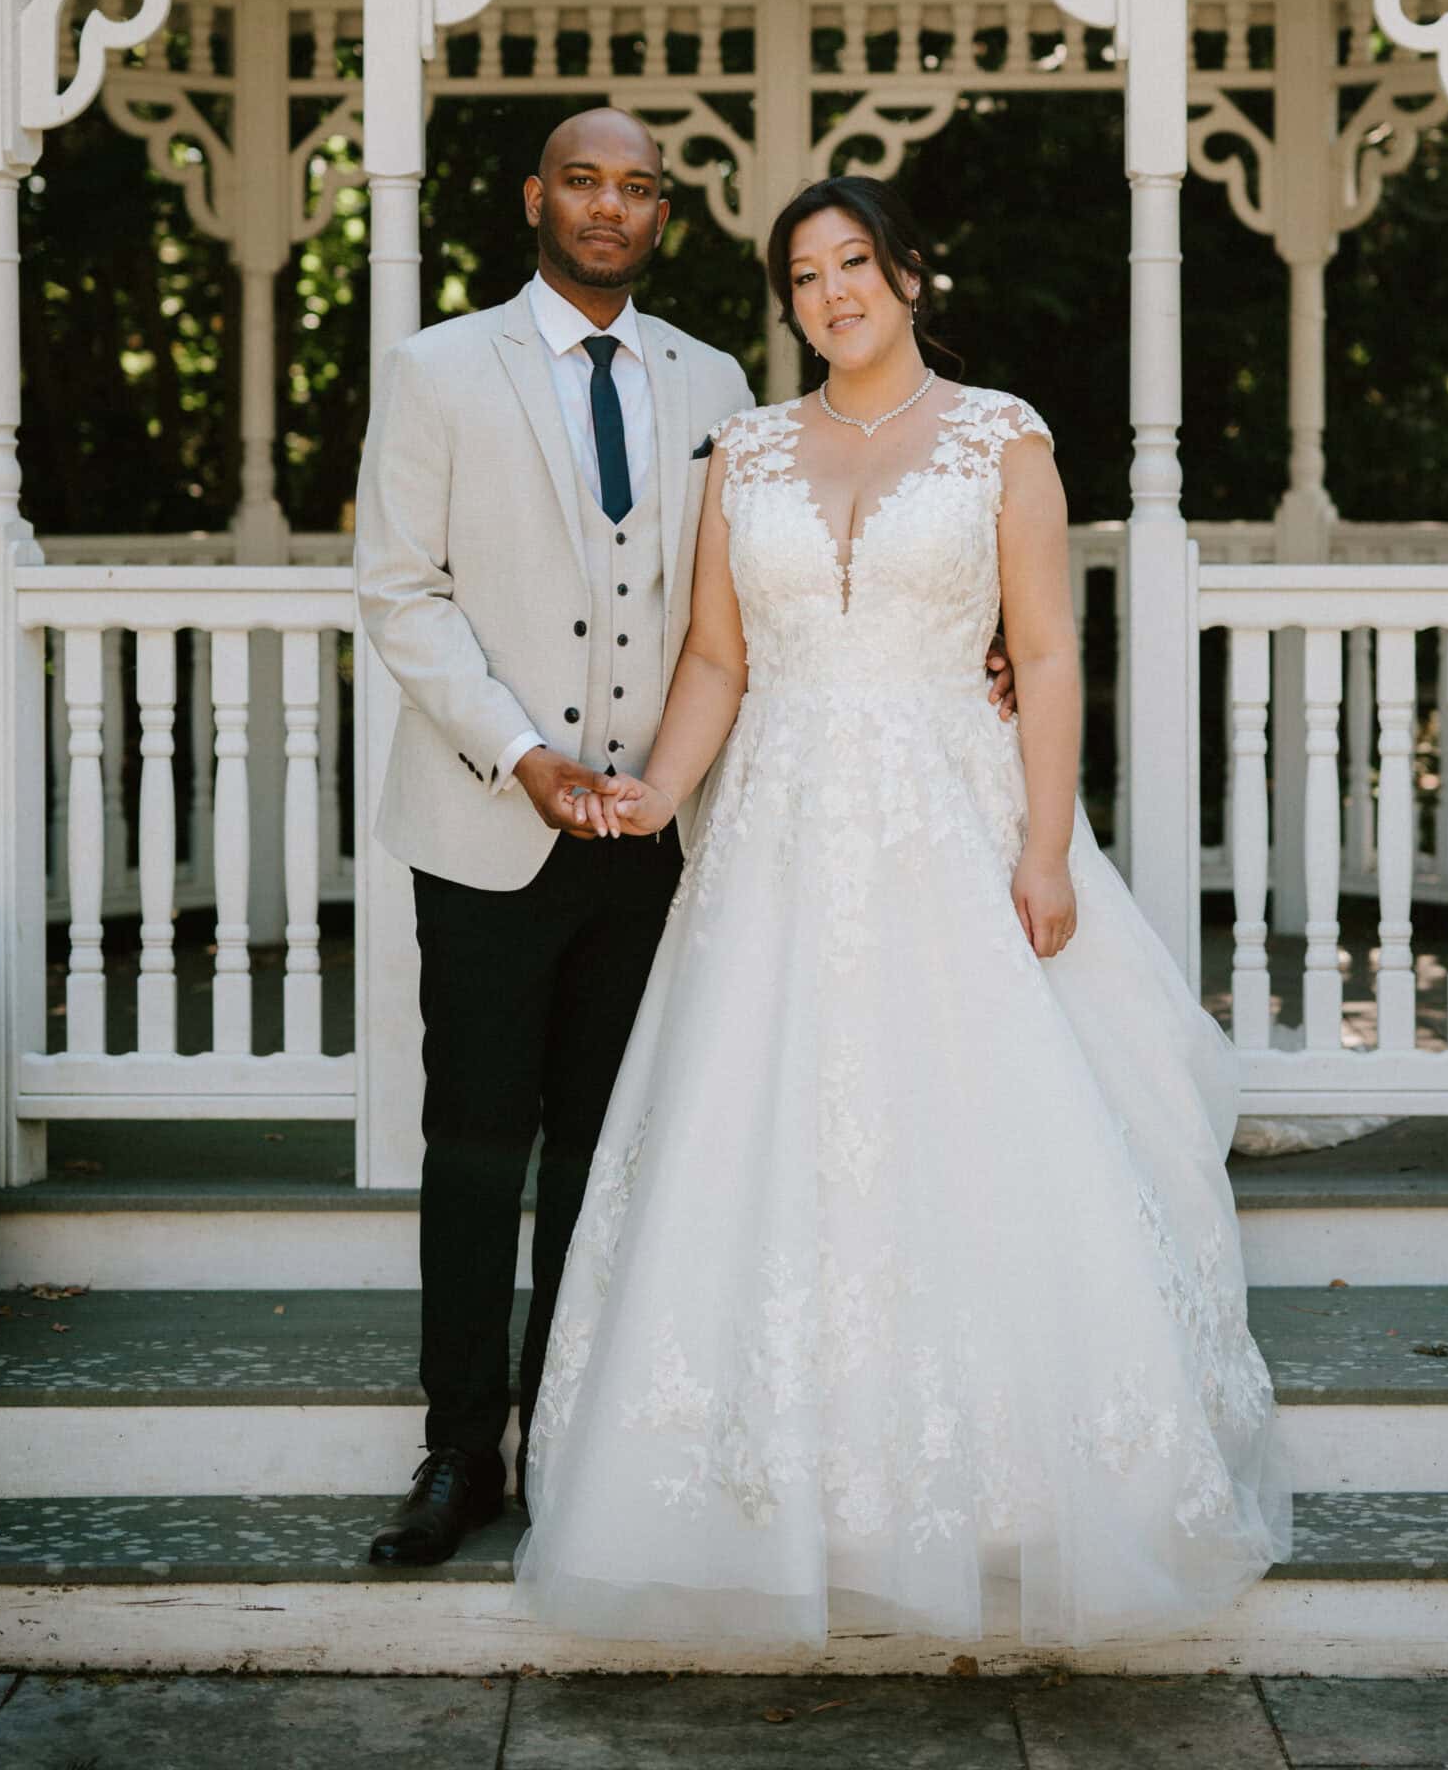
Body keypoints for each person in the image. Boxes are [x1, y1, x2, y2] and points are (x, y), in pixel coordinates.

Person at [512, 173, 1292, 1652]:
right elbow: (717, 664)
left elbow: (1048, 655)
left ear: (909, 273)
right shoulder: (742, 451)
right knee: (777, 1148)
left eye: (854, 264)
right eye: (803, 277)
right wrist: (648, 792)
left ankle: (1005, 1497)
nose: (832, 296)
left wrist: (1048, 851)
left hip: (954, 814)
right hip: (779, 843)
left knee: (974, 1133)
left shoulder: (1002, 437)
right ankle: (779, 1498)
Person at [354, 111, 1021, 1566]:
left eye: (638, 189)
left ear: (664, 216)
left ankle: (570, 1438)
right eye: (583, 181)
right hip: (488, 815)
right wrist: (523, 753)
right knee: (475, 1142)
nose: (609, 207)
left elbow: (757, 607)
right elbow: (402, 593)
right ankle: (456, 1451)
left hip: (665, 830)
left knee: (614, 1147)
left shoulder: (718, 385)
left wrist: (975, 648)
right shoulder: (436, 369)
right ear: (537, 198)